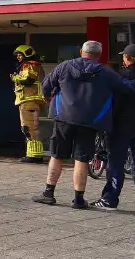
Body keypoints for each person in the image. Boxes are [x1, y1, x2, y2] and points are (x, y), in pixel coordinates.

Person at [34, 40, 135, 209]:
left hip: (63, 118)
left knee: (57, 155)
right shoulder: (106, 72)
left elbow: (46, 86)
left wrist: (48, 97)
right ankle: (78, 199)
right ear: (99, 55)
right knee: (82, 159)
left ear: (81, 51)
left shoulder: (64, 66)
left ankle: (49, 193)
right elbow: (127, 88)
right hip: (90, 121)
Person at [95, 44, 135, 210]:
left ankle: (110, 199)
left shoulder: (119, 77)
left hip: (121, 124)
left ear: (127, 58)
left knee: (116, 163)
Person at [12, 45, 47, 163]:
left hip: (29, 100)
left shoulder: (29, 65)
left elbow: (28, 80)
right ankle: (34, 154)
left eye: (20, 54)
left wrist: (15, 78)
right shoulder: (36, 65)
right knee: (31, 127)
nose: (18, 57)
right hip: (29, 100)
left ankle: (34, 156)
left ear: (27, 53)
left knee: (28, 127)